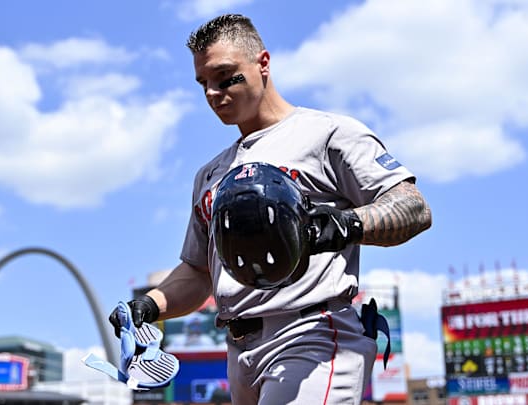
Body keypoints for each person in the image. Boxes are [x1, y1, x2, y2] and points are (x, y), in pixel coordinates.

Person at [109, 13, 432, 404]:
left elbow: (412, 208)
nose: (213, 93)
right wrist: (150, 304)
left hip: (312, 333)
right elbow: (200, 271)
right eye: (203, 84)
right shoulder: (210, 174)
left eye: (226, 77)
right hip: (240, 351)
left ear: (263, 63)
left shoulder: (327, 134)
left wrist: (342, 225)